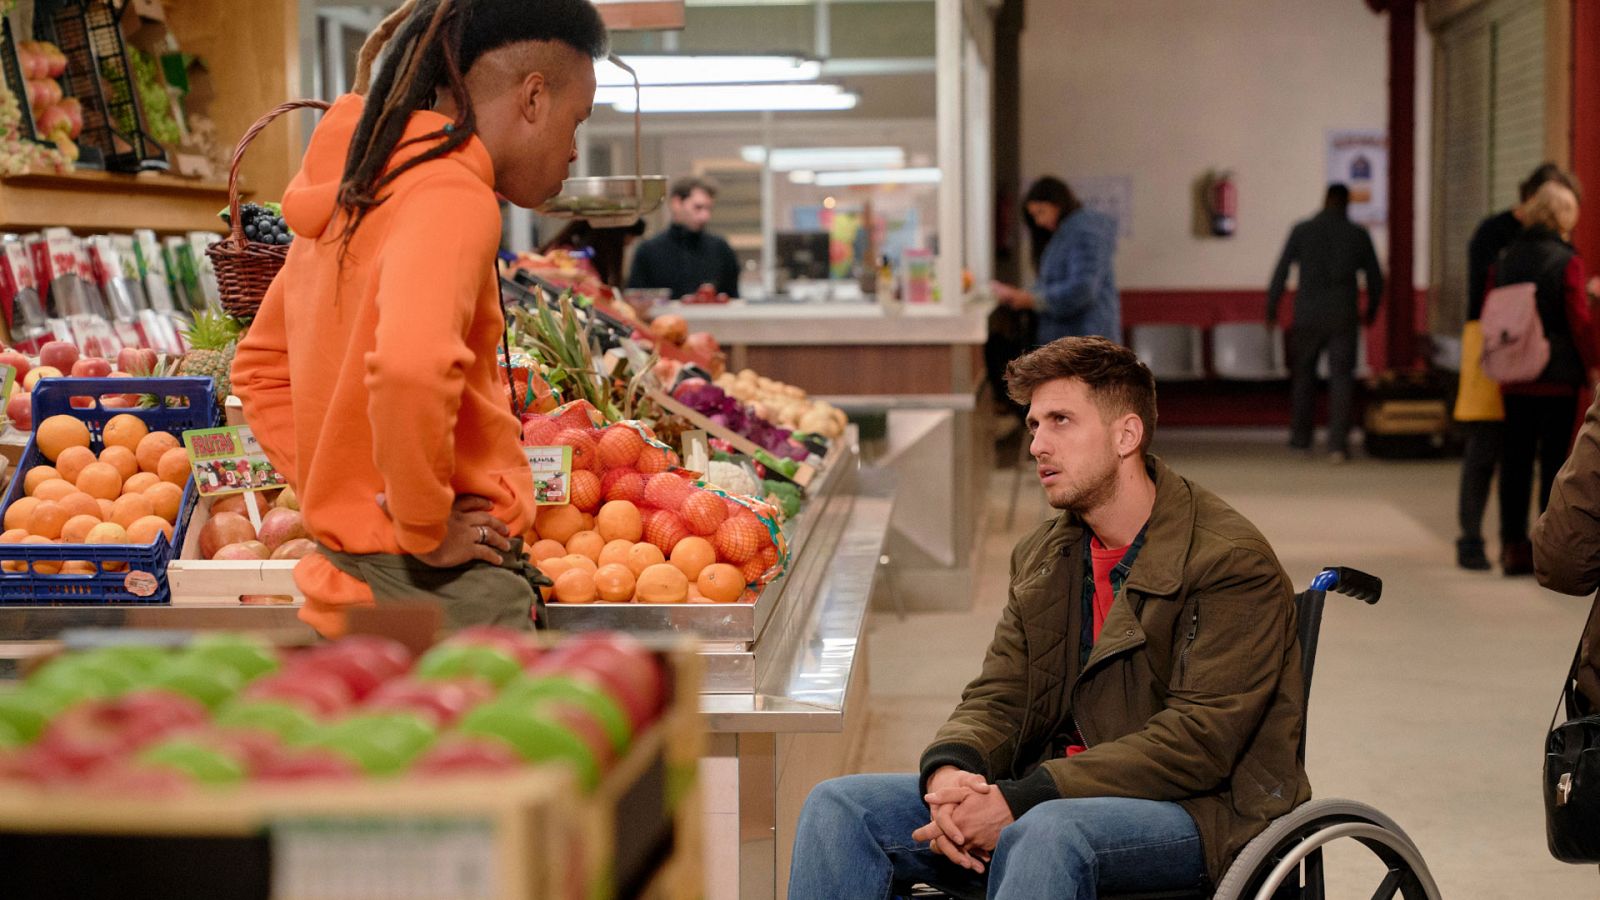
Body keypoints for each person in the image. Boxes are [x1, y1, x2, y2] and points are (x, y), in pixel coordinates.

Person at [788, 336, 1309, 899]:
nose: (1038, 444)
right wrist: (951, 771)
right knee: (840, 807)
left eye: (1061, 421)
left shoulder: (1227, 561)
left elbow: (1198, 743)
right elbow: (1002, 693)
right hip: (1059, 792)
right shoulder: (1046, 554)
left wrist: (1022, 797)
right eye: (1035, 425)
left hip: (1202, 811)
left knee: (1043, 832)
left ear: (1126, 435)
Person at [231, 0, 607, 638]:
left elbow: (262, 367)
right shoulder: (451, 196)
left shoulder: (358, 193)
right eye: (577, 122)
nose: (573, 152)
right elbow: (411, 368)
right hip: (443, 597)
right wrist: (422, 526)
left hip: (349, 586)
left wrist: (346, 491)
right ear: (533, 97)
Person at [1454, 163, 1575, 571]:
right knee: (1486, 446)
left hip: (1512, 358)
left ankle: (1517, 545)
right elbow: (1482, 300)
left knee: (1517, 456)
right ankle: (1471, 538)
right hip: (1495, 350)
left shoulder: (1513, 249)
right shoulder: (1495, 236)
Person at [1492, 182, 1598, 576]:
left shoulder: (1507, 256)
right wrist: (1592, 365)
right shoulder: (1566, 259)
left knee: (1515, 460)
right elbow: (1578, 321)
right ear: (1563, 216)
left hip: (1515, 375)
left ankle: (1511, 546)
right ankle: (1546, 546)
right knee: (1555, 464)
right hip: (1557, 375)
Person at [1266, 184, 1385, 462]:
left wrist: (1272, 308)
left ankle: (1300, 440)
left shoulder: (1302, 230)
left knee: (1303, 377)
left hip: (1307, 314)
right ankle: (1337, 446)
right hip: (1343, 314)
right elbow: (1376, 278)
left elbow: (1281, 269)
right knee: (1341, 379)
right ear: (1346, 204)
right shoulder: (1358, 234)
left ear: (1325, 200)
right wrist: (1371, 311)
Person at [991, 177, 1120, 345]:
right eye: (1034, 216)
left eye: (1041, 212)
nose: (1039, 222)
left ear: (1058, 204)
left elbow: (1083, 288)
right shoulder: (1066, 233)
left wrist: (1031, 299)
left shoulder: (1082, 231)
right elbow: (1055, 283)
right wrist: (1022, 295)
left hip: (1084, 338)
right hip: (1076, 338)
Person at [625, 176, 740, 298]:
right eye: (698, 207)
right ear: (676, 203)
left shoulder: (721, 249)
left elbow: (733, 300)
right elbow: (636, 302)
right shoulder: (648, 251)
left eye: (709, 209)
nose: (705, 216)